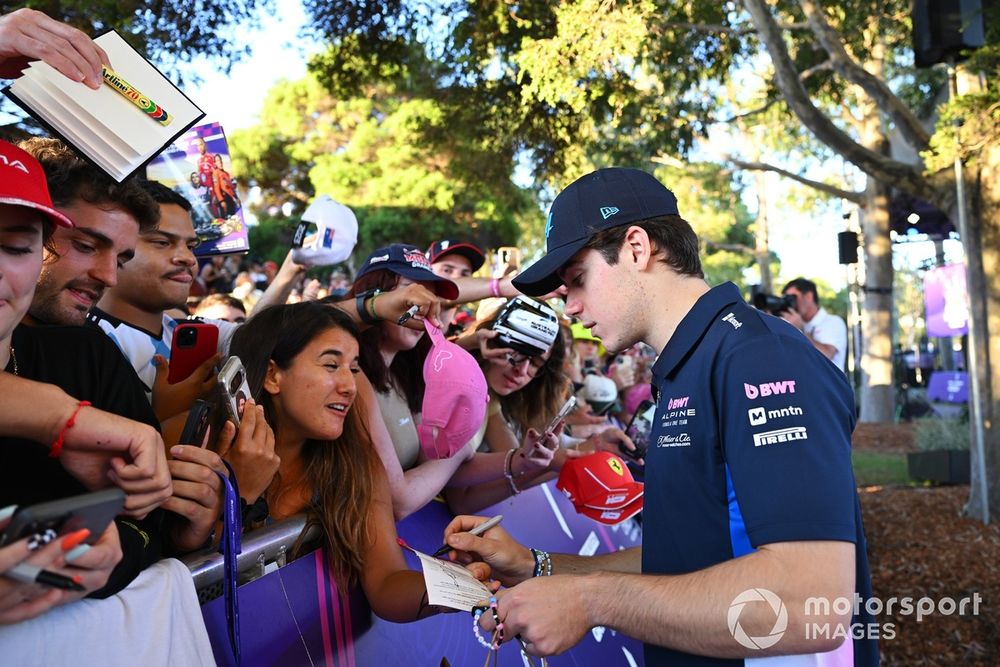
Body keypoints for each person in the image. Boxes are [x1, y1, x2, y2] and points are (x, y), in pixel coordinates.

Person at [443, 168, 877, 664]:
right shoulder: (691, 365)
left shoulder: (758, 357)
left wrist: (591, 601)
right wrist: (538, 566)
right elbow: (689, 553)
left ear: (636, 248)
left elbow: (810, 604)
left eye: (577, 280)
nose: (572, 307)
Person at [216, 301, 491, 619]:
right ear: (273, 375)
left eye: (355, 369)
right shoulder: (205, 441)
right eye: (332, 366)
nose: (350, 387)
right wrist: (239, 493)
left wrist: (453, 590)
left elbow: (387, 581)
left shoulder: (355, 466)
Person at [781, 277, 849, 372]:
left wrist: (801, 331)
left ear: (809, 296)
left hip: (828, 386)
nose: (790, 303)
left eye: (793, 297)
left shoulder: (833, 322)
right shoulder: (790, 324)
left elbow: (827, 355)